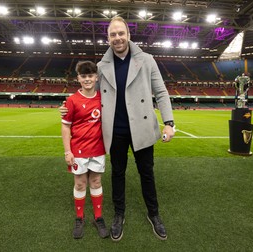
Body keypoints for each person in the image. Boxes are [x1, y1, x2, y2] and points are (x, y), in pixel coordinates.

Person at [60, 16, 175, 241]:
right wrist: (67, 107)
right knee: (118, 174)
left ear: (128, 35)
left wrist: (169, 123)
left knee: (147, 173)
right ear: (108, 38)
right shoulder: (102, 67)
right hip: (116, 130)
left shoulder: (147, 60)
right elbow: (90, 92)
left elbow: (161, 92)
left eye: (121, 33)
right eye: (113, 34)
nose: (117, 38)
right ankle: (118, 215)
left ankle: (154, 214)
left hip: (142, 127)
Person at [61, 61, 109, 239]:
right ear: (78, 78)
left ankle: (98, 218)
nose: (87, 79)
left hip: (97, 150)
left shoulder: (103, 98)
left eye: (90, 76)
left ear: (96, 77)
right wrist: (67, 151)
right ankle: (79, 218)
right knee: (80, 183)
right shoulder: (72, 100)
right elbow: (65, 127)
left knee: (96, 182)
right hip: (78, 151)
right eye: (84, 76)